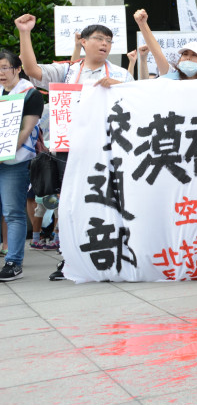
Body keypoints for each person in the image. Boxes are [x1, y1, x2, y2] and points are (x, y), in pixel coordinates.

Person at [16, 16, 133, 282]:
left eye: (108, 41)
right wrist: (25, 33)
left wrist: (121, 87)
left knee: (105, 202)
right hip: (67, 148)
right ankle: (69, 259)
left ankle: (108, 257)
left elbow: (138, 98)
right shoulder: (67, 71)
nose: (105, 44)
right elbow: (33, 70)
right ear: (83, 41)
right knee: (68, 204)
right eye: (99, 39)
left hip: (105, 148)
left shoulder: (119, 74)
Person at [0, 50, 44, 282]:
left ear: (17, 69)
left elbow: (26, 131)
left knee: (13, 212)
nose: (1, 73)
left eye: (5, 68)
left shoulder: (30, 95)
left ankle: (13, 262)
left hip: (15, 163)